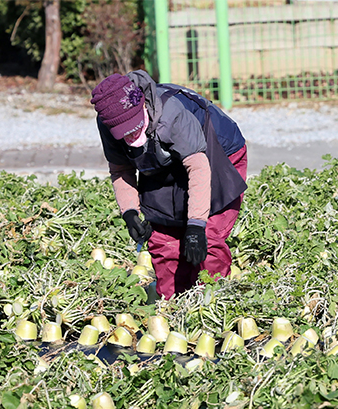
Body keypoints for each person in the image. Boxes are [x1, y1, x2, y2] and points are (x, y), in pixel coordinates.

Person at [91, 70, 248, 299]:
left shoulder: (171, 113)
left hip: (216, 154)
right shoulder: (107, 123)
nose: (130, 136)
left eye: (135, 128)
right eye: (123, 134)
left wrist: (195, 226)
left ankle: (212, 303)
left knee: (208, 236)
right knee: (164, 240)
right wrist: (130, 212)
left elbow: (198, 168)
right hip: (163, 162)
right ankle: (173, 306)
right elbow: (121, 169)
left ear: (143, 107)